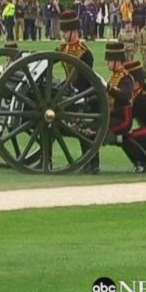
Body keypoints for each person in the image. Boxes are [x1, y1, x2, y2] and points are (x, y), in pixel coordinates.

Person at [56, 10, 100, 174]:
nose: (62, 34)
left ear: (73, 31)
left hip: (85, 93)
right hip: (70, 93)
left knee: (86, 130)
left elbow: (85, 77)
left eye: (65, 31)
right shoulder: (63, 48)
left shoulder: (84, 53)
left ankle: (92, 163)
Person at [104, 42, 145, 171]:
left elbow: (124, 96)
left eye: (109, 60)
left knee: (96, 131)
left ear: (117, 60)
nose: (107, 63)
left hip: (123, 119)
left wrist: (109, 88)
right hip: (113, 116)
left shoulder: (126, 78)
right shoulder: (114, 77)